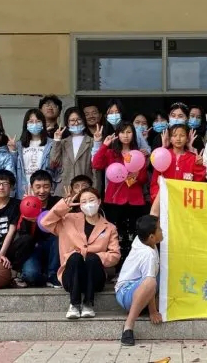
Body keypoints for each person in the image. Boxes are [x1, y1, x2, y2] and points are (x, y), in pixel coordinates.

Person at [40, 188, 121, 319]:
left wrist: (92, 255)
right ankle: (74, 304)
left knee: (91, 258)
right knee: (75, 257)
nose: (88, 204)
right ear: (80, 205)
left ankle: (88, 304)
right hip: (71, 275)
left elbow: (115, 255)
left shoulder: (109, 227)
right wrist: (63, 206)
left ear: (99, 201)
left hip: (94, 277)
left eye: (91, 200)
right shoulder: (68, 219)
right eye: (84, 201)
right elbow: (45, 223)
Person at [92, 122, 149, 271]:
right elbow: (96, 164)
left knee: (133, 237)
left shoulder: (138, 154)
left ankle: (132, 270)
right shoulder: (111, 153)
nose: (126, 135)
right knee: (115, 236)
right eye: (122, 132)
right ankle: (116, 270)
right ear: (117, 135)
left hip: (135, 200)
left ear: (133, 135)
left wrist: (133, 177)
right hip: (114, 200)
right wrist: (104, 145)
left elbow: (143, 178)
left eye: (129, 132)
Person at [116, 215, 164, 346]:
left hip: (139, 287)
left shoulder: (144, 239)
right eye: (159, 229)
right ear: (152, 237)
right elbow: (149, 281)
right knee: (150, 282)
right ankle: (128, 327)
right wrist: (153, 312)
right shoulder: (147, 254)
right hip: (126, 293)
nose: (162, 231)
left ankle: (145, 304)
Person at [20, 170, 63, 287]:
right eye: (38, 187)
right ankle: (44, 277)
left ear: (51, 187)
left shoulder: (58, 202)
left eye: (46, 186)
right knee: (30, 275)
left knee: (58, 238)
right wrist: (28, 212)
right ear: (32, 187)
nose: (42, 191)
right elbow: (23, 235)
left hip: (54, 247)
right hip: (33, 248)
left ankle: (53, 275)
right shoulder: (25, 204)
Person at [149, 123, 206, 207]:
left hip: (185, 203)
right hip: (164, 202)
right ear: (170, 139)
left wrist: (199, 166)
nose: (178, 138)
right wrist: (157, 199)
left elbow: (198, 182)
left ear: (187, 139)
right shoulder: (163, 156)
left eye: (182, 135)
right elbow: (154, 182)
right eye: (174, 135)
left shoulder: (193, 158)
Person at [51, 107, 95, 192]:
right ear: (67, 123)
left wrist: (95, 188)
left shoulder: (92, 141)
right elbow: (53, 161)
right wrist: (57, 140)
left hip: (86, 188)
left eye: (79, 119)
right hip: (65, 188)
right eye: (72, 120)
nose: (76, 123)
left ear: (84, 120)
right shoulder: (62, 142)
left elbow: (96, 170)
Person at [15, 108, 57, 197]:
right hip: (24, 189)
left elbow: (55, 167)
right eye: (31, 121)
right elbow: (14, 168)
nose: (34, 124)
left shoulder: (51, 143)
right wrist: (12, 151)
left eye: (38, 121)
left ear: (43, 124)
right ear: (26, 124)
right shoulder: (19, 145)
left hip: (43, 189)